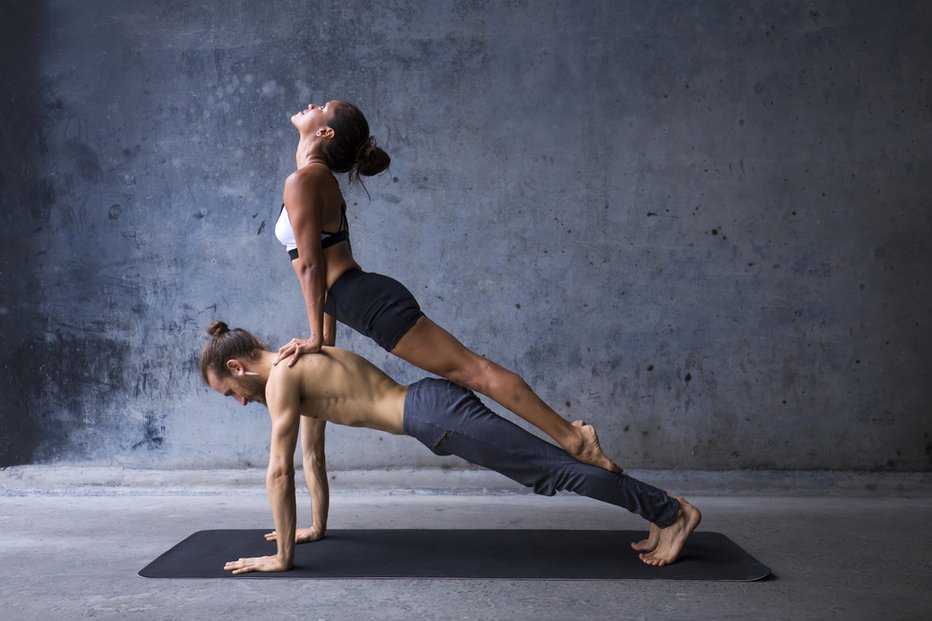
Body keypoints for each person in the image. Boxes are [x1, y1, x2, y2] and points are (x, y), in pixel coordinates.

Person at [274, 100, 621, 477]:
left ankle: (573, 437)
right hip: (363, 297)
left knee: (473, 371)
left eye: (322, 106)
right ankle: (571, 437)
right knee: (473, 370)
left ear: (325, 133)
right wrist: (322, 339)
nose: (312, 104)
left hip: (371, 303)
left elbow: (311, 266)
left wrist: (313, 337)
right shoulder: (311, 179)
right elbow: (324, 263)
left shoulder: (304, 181)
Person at [199, 321, 701, 574]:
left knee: (553, 471)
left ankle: (671, 512)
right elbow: (312, 458)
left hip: (436, 417)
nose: (241, 403)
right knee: (549, 470)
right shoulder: (297, 365)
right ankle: (660, 512)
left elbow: (280, 472)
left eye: (230, 394)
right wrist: (314, 528)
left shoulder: (282, 377)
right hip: (432, 406)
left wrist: (282, 557)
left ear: (238, 368)